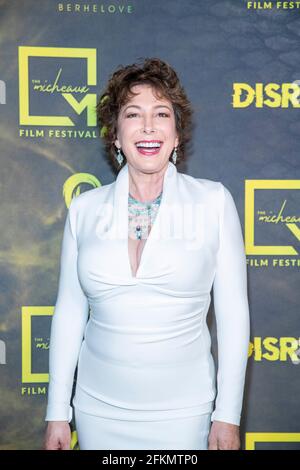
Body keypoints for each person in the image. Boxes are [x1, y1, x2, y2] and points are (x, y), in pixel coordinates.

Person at [43, 57, 250, 450]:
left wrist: (228, 415)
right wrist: (58, 411)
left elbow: (233, 315)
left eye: (162, 114)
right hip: (96, 411)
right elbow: (69, 312)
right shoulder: (84, 210)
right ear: (116, 135)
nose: (149, 126)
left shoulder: (213, 202)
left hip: (185, 414)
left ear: (176, 134)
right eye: (133, 114)